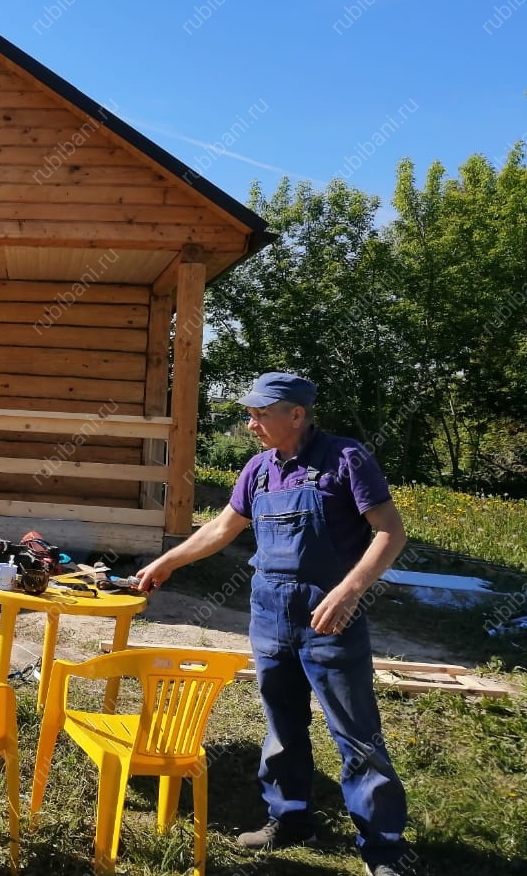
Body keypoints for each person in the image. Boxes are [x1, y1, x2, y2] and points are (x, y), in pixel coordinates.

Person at [136, 372, 411, 876]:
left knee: (356, 734)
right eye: (250, 414)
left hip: (330, 618)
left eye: (261, 414)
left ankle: (385, 850)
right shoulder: (258, 470)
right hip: (269, 615)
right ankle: (290, 819)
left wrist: (349, 591)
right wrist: (168, 562)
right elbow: (223, 527)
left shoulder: (346, 459)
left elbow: (390, 532)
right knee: (282, 725)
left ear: (297, 415)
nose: (251, 424)